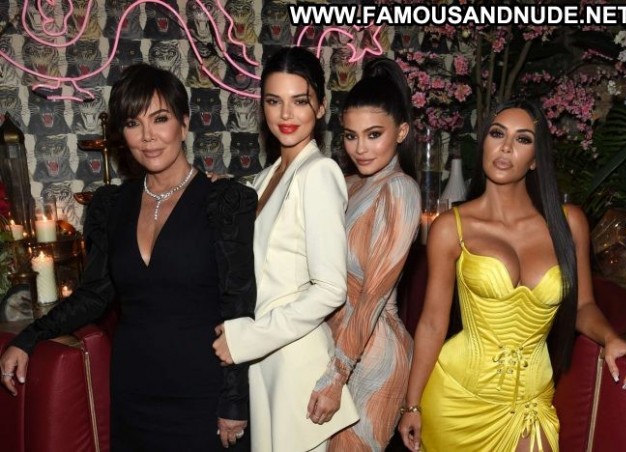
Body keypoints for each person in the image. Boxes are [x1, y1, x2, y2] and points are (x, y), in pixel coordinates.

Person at [0, 63, 257, 451]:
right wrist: (29, 337)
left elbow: (238, 305)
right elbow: (94, 295)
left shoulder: (225, 201)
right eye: (133, 123)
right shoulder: (111, 206)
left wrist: (235, 400)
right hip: (134, 391)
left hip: (203, 391)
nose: (148, 136)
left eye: (160, 119)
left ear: (184, 123)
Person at [398, 99, 626, 452]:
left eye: (523, 139)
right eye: (497, 134)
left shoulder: (569, 223)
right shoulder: (451, 227)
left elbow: (583, 306)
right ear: (484, 143)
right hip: (455, 399)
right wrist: (412, 404)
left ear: (536, 159)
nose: (506, 147)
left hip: (530, 403)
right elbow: (433, 323)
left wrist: (610, 338)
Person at [212, 46, 359, 452]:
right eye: (274, 101)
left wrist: (248, 338)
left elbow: (331, 289)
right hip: (267, 365)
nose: (286, 114)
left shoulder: (319, 173)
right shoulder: (264, 179)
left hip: (297, 366)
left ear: (321, 107)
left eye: (300, 101)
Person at [305, 57, 421, 451]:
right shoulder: (349, 183)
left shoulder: (400, 190)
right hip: (335, 345)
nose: (360, 148)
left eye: (374, 134)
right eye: (351, 136)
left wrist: (336, 376)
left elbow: (372, 296)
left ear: (401, 131)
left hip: (373, 357)